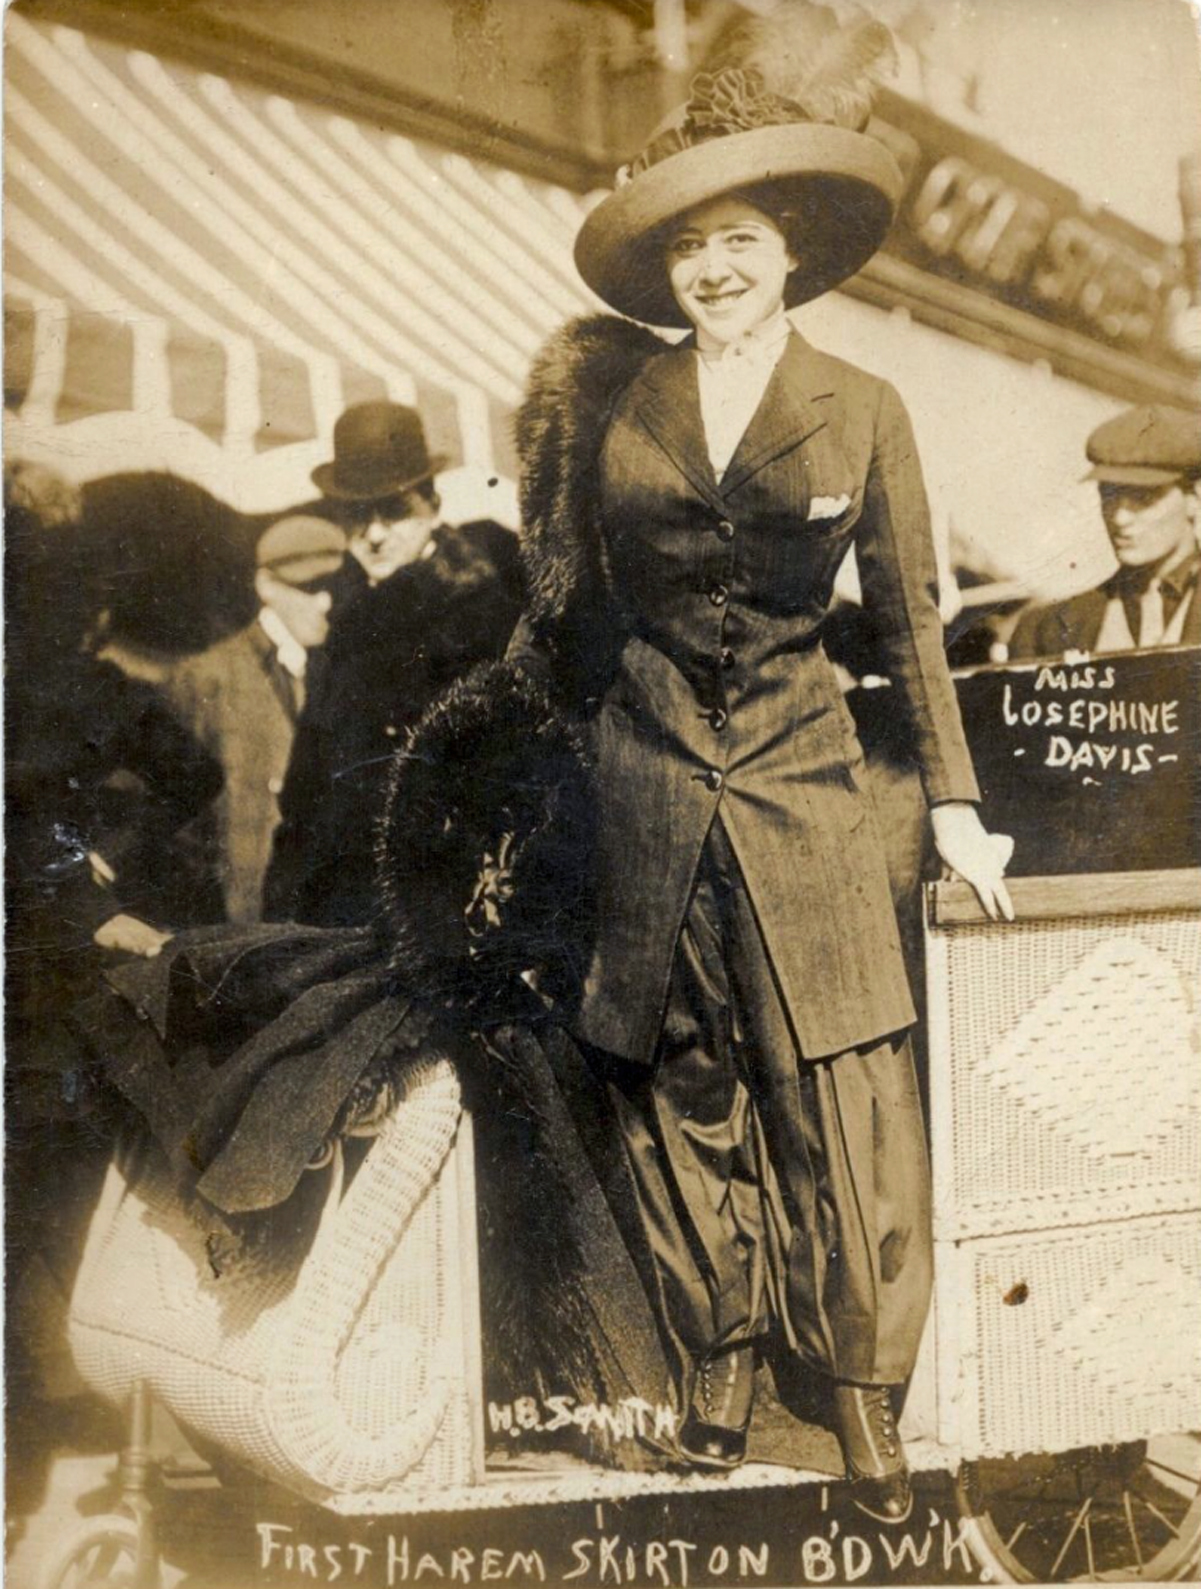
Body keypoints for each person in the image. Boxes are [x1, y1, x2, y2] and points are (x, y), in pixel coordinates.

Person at [503, 2, 1013, 1521]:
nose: (712, 270)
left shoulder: (865, 409)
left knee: (839, 1095)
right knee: (682, 1086)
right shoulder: (620, 406)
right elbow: (571, 609)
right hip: (649, 789)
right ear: (664, 274)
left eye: (737, 240)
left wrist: (960, 806)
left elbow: (911, 630)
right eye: (686, 250)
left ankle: (862, 1402)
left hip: (805, 792)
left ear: (788, 248)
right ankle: (717, 1367)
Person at [263, 401, 524, 927]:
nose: (375, 534)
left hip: (426, 913)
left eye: (395, 511)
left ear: (432, 505)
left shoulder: (479, 619)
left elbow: (498, 790)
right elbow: (305, 793)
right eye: (360, 514)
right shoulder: (347, 615)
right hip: (330, 908)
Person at [157, 515, 345, 923]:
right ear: (265, 586)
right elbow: (169, 819)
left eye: (333, 587)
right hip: (230, 929)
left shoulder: (338, 673)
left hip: (305, 925)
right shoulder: (207, 678)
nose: (326, 602)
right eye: (309, 588)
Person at [1010, 403, 1201, 658]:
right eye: (1109, 495)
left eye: (1144, 497)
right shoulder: (1046, 631)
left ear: (1195, 499)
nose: (1120, 518)